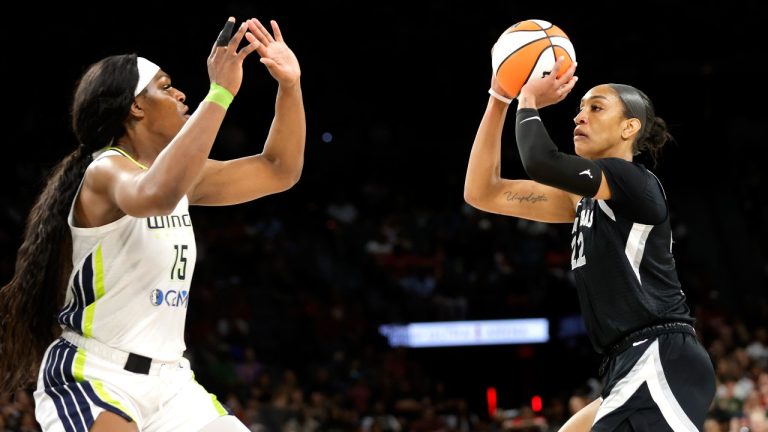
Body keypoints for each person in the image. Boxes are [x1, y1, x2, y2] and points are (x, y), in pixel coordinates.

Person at [0, 15, 304, 432]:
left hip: (172, 382)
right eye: (164, 86)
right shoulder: (105, 173)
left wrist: (290, 87)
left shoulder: (184, 179)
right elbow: (156, 196)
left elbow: (279, 169)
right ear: (135, 106)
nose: (181, 93)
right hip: (95, 375)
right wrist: (219, 94)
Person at [464, 56, 716, 431]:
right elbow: (483, 192)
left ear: (629, 127)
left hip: (658, 355)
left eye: (596, 108)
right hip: (624, 363)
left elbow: (540, 160)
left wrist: (528, 100)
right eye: (580, 109)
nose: (578, 117)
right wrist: (498, 97)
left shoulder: (633, 182)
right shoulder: (581, 198)